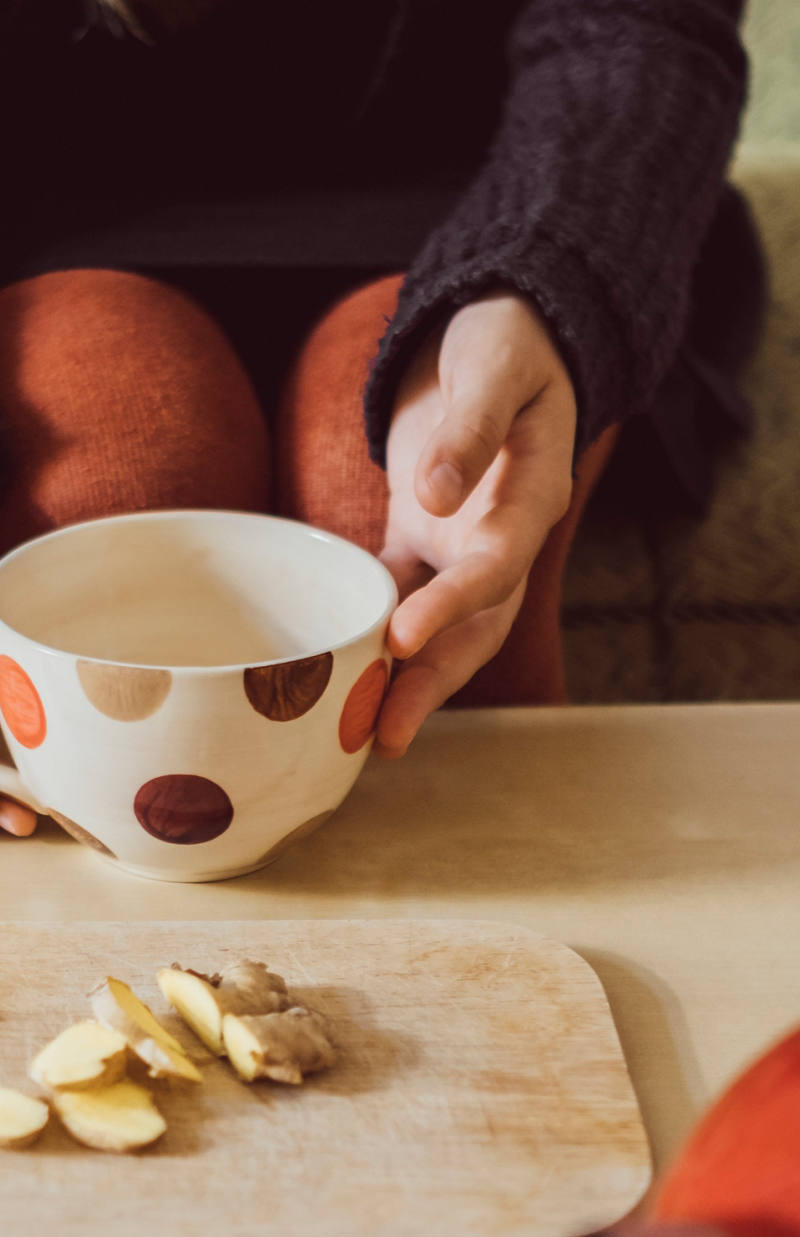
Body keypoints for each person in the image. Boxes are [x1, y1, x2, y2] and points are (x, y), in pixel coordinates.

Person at [0, 0, 765, 837]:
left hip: (501, 197)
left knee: (423, 599)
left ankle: (514, 942)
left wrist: (543, 278)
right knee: (92, 542)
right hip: (53, 219)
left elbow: (638, 23)